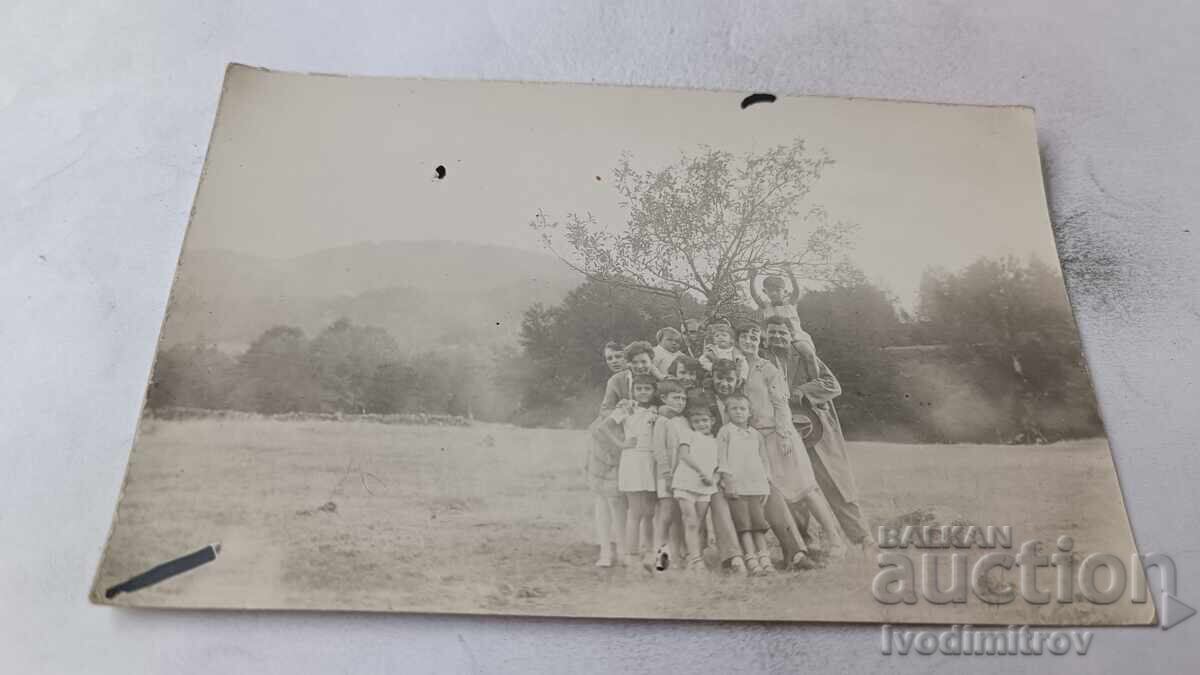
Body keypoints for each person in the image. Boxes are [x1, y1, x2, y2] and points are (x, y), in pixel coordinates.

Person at [762, 316, 874, 550]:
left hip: (817, 431)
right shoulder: (762, 360)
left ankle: (863, 538)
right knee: (794, 486)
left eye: (782, 333)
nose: (777, 337)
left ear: (791, 335)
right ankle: (808, 542)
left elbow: (833, 385)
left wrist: (802, 390)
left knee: (834, 482)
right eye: (772, 332)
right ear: (765, 334)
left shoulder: (804, 355)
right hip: (783, 433)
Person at [733, 321, 839, 567]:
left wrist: (782, 434)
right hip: (756, 439)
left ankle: (835, 541)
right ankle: (795, 549)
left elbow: (780, 403)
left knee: (806, 489)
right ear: (738, 340)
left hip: (780, 434)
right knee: (779, 495)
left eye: (754, 337)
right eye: (745, 337)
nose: (750, 341)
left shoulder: (767, 368)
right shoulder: (737, 368)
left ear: (760, 341)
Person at [596, 372, 660, 570]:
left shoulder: (656, 411)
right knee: (635, 511)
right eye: (639, 389)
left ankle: (649, 552)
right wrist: (622, 444)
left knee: (649, 512)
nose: (643, 393)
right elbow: (603, 428)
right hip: (633, 460)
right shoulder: (627, 408)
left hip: (651, 460)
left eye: (647, 389)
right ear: (633, 391)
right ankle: (631, 555)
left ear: (653, 391)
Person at [716, 393, 775, 576]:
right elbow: (722, 458)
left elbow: (764, 460)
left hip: (756, 485)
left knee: (758, 523)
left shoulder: (756, 435)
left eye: (743, 409)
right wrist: (728, 480)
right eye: (734, 408)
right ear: (727, 412)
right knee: (744, 525)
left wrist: (766, 483)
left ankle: (765, 559)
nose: (739, 412)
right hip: (737, 486)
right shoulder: (726, 432)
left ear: (750, 412)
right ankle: (751, 560)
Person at [584, 341, 629, 566]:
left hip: (631, 440)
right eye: (610, 358)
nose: (614, 361)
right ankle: (606, 551)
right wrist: (621, 410)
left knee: (619, 499)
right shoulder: (615, 381)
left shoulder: (642, 374)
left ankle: (623, 549)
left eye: (618, 356)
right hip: (610, 440)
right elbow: (605, 410)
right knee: (605, 496)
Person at [673, 406, 720, 572]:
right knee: (691, 521)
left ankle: (695, 557)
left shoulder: (715, 441)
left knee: (699, 523)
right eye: (696, 421)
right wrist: (701, 472)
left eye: (705, 420)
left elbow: (716, 465)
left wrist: (712, 477)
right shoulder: (689, 435)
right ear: (691, 424)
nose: (701, 424)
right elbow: (684, 455)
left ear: (712, 421)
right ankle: (695, 559)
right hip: (686, 482)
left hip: (705, 486)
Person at [649, 380, 690, 571]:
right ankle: (660, 558)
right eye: (676, 398)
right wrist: (667, 474)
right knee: (665, 515)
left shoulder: (682, 421)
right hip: (667, 475)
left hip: (683, 475)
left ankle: (678, 555)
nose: (681, 402)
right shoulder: (662, 421)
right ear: (664, 399)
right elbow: (659, 450)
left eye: (683, 398)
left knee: (679, 516)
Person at [750, 266, 820, 378]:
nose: (773, 293)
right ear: (765, 292)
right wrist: (752, 279)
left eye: (777, 290)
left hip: (796, 338)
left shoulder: (790, 304)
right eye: (770, 291)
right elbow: (754, 295)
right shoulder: (765, 306)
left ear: (785, 292)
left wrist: (790, 274)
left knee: (809, 355)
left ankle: (815, 381)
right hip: (774, 338)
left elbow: (796, 291)